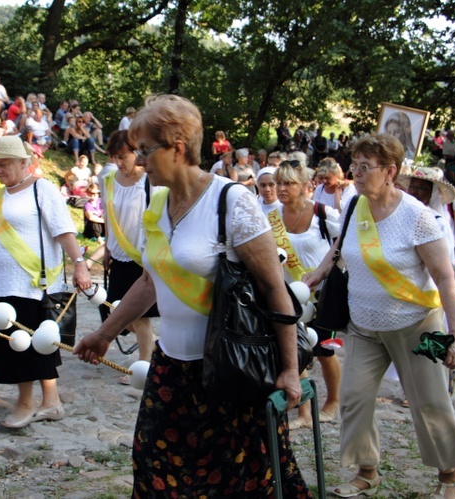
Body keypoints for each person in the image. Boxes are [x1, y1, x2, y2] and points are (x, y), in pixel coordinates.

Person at [74, 94, 313, 497]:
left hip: (229, 366)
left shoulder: (232, 202)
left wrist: (290, 369)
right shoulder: (159, 201)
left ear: (178, 147)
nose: (141, 160)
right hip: (171, 366)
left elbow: (275, 289)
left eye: (146, 150)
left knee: (234, 479)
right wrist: (105, 334)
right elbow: (151, 282)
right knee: (151, 465)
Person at [303, 134, 455, 498]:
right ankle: (367, 472)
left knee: (430, 402)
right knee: (353, 398)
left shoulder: (418, 216)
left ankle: (450, 476)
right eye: (354, 165)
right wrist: (319, 272)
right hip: (363, 325)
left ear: (390, 171)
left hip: (416, 324)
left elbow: (444, 277)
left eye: (365, 167)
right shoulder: (354, 204)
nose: (356, 174)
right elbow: (340, 244)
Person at [0, 136, 92, 428]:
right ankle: (50, 402)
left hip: (28, 283)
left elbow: (63, 230)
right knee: (24, 342)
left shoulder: (42, 189)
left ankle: (25, 404)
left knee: (24, 344)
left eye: (5, 164)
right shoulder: (0, 196)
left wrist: (80, 265)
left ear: (24, 162)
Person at [270, 162, 342, 429]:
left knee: (324, 352)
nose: (281, 189)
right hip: (289, 294)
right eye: (278, 183)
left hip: (321, 295)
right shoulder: (273, 217)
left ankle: (333, 402)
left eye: (287, 183)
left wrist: (327, 272)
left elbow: (343, 241)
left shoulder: (324, 213)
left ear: (304, 186)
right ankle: (303, 413)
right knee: (296, 352)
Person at [100, 130, 158, 368]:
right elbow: (107, 214)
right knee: (116, 311)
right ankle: (153, 347)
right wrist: (107, 246)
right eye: (115, 157)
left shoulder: (150, 181)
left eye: (123, 156)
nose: (119, 162)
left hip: (141, 257)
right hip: (119, 254)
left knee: (140, 316)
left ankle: (145, 366)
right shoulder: (108, 179)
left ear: (137, 153)